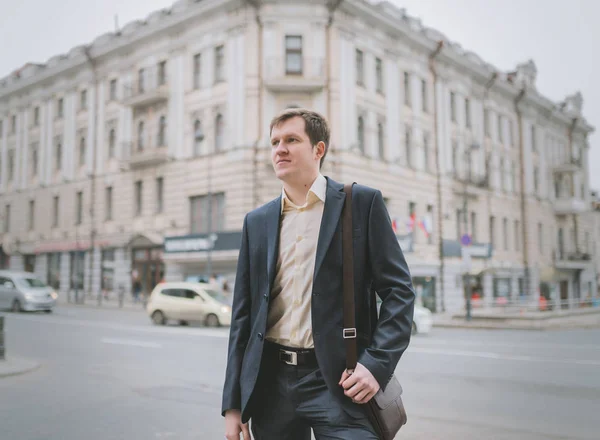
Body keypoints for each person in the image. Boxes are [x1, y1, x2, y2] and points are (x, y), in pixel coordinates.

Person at [222, 108, 415, 440]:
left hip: (341, 384)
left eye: (291, 140)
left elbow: (400, 293)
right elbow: (244, 316)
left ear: (318, 149)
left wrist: (376, 366)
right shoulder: (257, 221)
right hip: (271, 388)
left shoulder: (361, 203)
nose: (279, 149)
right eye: (274, 142)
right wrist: (234, 403)